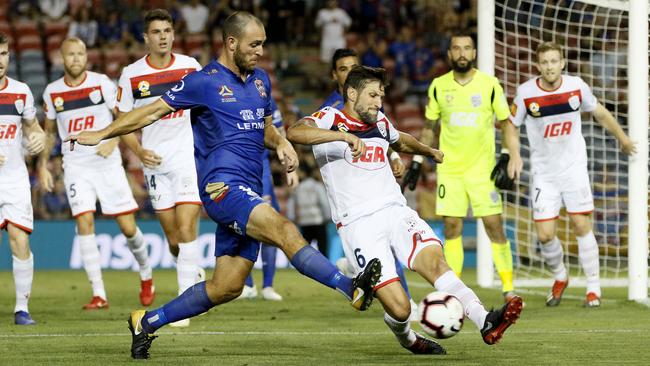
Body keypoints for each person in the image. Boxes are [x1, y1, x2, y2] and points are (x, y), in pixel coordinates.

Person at [66, 12, 382, 360]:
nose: (261, 51)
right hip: (222, 189)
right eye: (254, 44)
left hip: (247, 189)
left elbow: (265, 127)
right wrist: (102, 133)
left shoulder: (260, 81)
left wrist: (280, 143)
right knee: (284, 229)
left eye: (262, 43)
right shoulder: (203, 81)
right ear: (231, 43)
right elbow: (150, 112)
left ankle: (147, 321)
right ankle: (350, 286)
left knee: (226, 287)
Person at [287, 65, 523, 355]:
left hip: (396, 211)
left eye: (381, 96)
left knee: (436, 263)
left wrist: (428, 151)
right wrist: (342, 137)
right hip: (358, 224)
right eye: (372, 95)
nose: (378, 102)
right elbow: (295, 131)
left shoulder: (380, 121)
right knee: (399, 309)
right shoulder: (331, 118)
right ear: (351, 93)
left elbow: (400, 138)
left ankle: (484, 320)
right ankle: (409, 338)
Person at [504, 41, 636, 307]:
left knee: (581, 225)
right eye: (545, 62)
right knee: (544, 235)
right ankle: (560, 275)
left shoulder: (576, 86)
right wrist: (514, 154)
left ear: (562, 63)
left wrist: (622, 138)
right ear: (538, 65)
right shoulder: (526, 92)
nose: (550, 66)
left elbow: (600, 113)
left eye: (555, 61)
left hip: (574, 169)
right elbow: (511, 124)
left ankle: (594, 288)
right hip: (544, 173)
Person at [38, 37, 154, 310]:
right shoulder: (52, 92)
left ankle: (146, 275)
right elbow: (49, 132)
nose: (76, 58)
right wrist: (43, 164)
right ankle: (99, 294)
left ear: (86, 56)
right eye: (71, 54)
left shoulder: (102, 83)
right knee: (84, 222)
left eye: (80, 53)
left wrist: (113, 141)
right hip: (76, 165)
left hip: (107, 163)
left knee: (128, 228)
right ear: (61, 58)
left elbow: (122, 116)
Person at [402, 33, 518, 301]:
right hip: (450, 170)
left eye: (467, 48)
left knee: (494, 226)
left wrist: (506, 155)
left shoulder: (490, 85)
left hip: (482, 170)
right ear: (450, 55)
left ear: (474, 53)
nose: (462, 53)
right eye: (457, 48)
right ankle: (454, 290)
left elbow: (506, 123)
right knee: (452, 227)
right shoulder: (438, 86)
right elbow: (430, 126)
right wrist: (418, 161)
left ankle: (509, 288)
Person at [116, 9, 203, 326]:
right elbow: (122, 122)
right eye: (156, 31)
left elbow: (206, 108)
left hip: (185, 159)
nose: (163, 36)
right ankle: (191, 268)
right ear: (146, 37)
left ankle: (185, 306)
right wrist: (138, 150)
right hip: (154, 165)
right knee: (174, 240)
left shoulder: (190, 68)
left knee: (187, 229)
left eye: (167, 30)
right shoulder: (131, 74)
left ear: (173, 34)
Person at [322, 48, 419, 319]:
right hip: (350, 195)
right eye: (343, 68)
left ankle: (367, 276)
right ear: (334, 75)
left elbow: (382, 133)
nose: (350, 72)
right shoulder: (330, 111)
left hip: (377, 187)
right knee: (382, 246)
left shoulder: (370, 100)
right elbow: (314, 139)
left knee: (390, 243)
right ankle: (359, 272)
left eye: (354, 67)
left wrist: (395, 155)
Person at [0, 32, 46, 325]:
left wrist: (38, 140)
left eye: (3, 54)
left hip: (15, 179)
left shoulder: (21, 91)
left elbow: (33, 128)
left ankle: (21, 309)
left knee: (19, 241)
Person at [240, 99, 296, 301]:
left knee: (269, 223)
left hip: (260, 170)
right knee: (239, 224)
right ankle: (246, 285)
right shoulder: (225, 92)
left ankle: (268, 286)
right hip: (234, 166)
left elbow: (279, 132)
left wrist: (290, 166)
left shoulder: (265, 99)